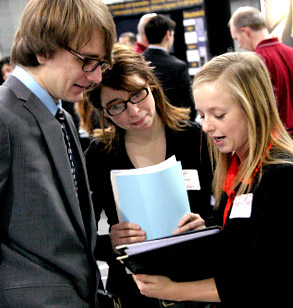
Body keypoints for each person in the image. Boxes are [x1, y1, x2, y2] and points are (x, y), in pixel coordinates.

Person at [133, 51, 293, 308]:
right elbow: (244, 245)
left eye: (218, 115)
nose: (207, 126)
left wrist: (175, 291)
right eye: (203, 115)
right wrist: (207, 233)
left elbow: (264, 281)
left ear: (253, 108)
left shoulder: (281, 176)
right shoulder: (239, 168)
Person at [0, 0, 115, 307]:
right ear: (43, 49)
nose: (96, 77)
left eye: (100, 63)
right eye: (86, 61)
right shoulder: (3, 114)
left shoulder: (59, 114)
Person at [83, 44, 214, 308]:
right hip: (134, 291)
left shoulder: (195, 139)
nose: (134, 112)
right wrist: (112, 243)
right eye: (116, 106)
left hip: (195, 285)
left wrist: (205, 225)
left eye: (137, 95)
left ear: (151, 87)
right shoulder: (100, 155)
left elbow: (227, 213)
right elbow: (81, 234)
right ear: (103, 112)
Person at [229, 6, 293, 135]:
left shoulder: (254, 63)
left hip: (277, 138)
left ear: (246, 32)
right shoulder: (291, 53)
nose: (239, 45)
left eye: (236, 38)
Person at [143, 14, 196, 120]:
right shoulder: (178, 66)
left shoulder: (138, 63)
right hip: (174, 125)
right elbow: (189, 107)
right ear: (168, 34)